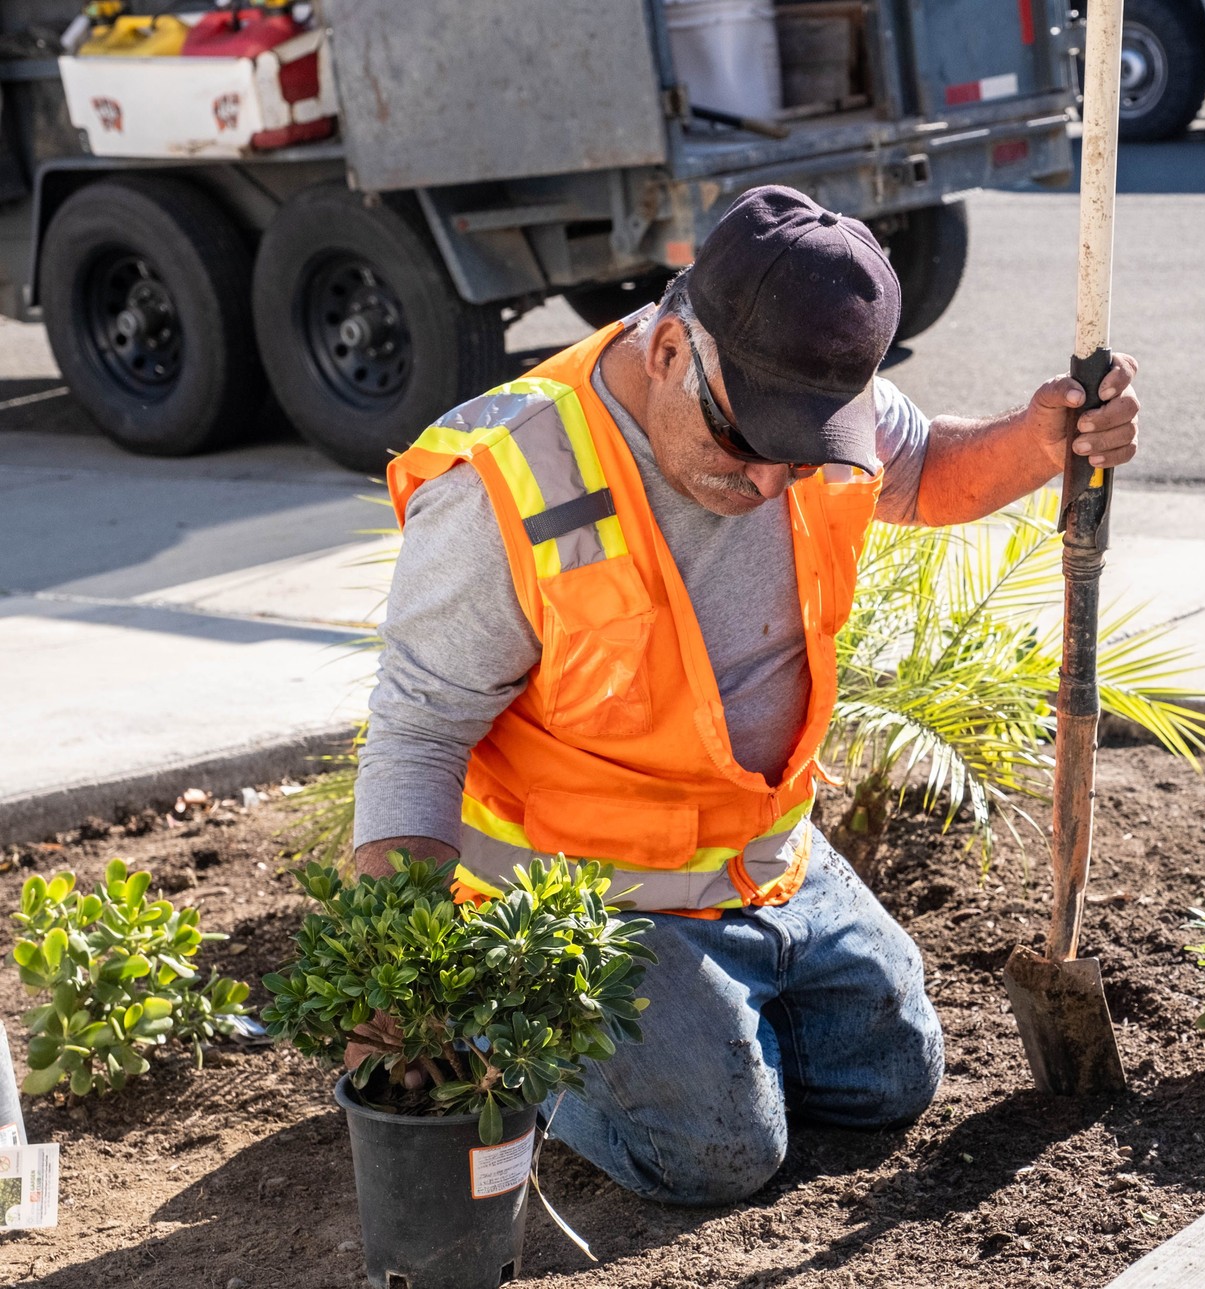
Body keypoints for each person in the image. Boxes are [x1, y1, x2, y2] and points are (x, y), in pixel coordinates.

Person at [350, 185, 1142, 1204]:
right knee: (718, 1152)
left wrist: (1041, 441)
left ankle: (719, 1012)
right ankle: (520, 1021)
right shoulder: (508, 484)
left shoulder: (808, 396)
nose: (772, 480)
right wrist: (404, 978)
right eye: (745, 440)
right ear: (673, 350)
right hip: (595, 896)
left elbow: (930, 468)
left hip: (767, 859)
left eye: (800, 448)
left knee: (892, 1077)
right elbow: (418, 733)